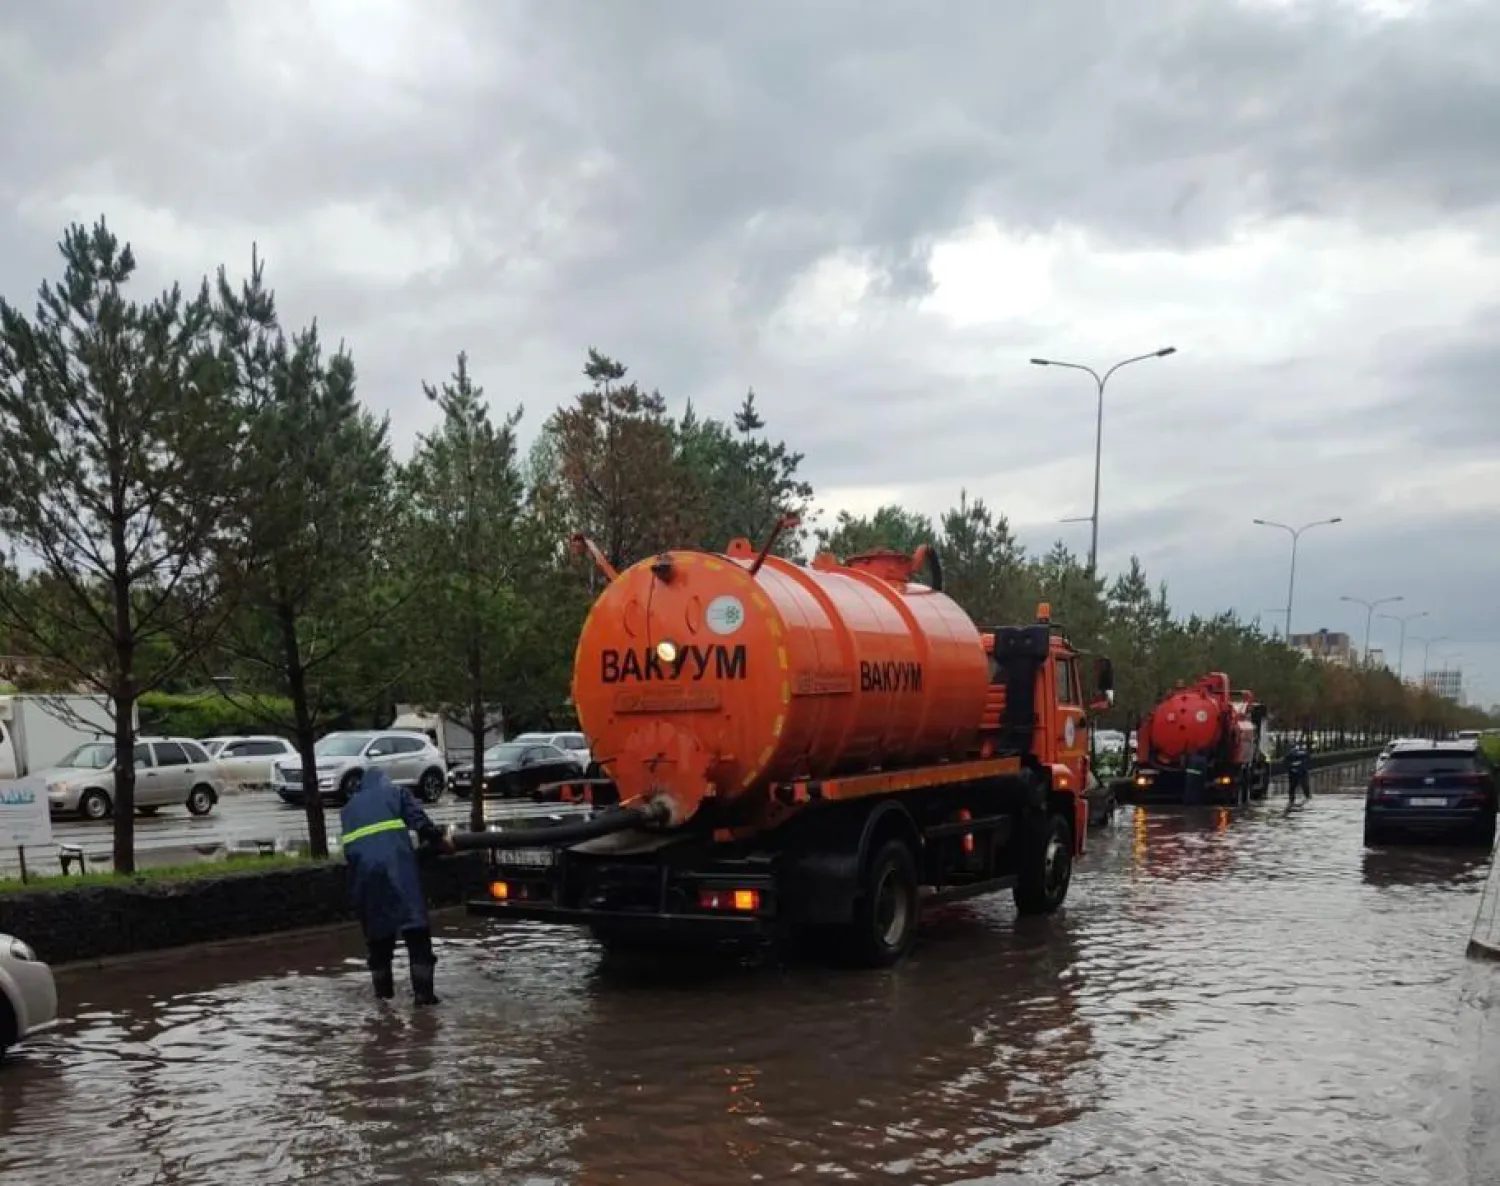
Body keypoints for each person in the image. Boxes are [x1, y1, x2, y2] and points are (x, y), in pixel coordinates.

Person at [340, 767, 455, 1005]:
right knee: (416, 932)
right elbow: (421, 823)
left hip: (364, 878)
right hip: (398, 870)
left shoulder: (348, 809)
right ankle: (424, 998)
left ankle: (383, 999)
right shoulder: (396, 793)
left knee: (378, 939)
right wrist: (440, 840)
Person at [1284, 736, 1312, 807]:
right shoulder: (1292, 753)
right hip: (1297, 773)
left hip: (1299, 773)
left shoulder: (1294, 753)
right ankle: (1293, 801)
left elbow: (1286, 762)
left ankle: (1293, 801)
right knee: (1294, 788)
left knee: (1298, 788)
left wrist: (1292, 767)